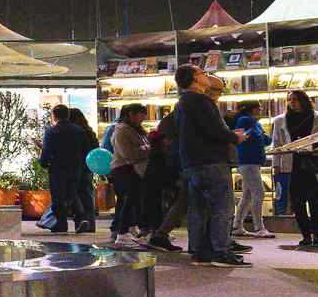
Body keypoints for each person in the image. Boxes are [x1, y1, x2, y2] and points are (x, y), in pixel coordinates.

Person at [176, 63, 250, 267]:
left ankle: (201, 251)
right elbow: (214, 130)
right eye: (201, 72)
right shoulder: (201, 100)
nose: (205, 75)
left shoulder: (183, 101)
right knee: (222, 207)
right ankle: (222, 252)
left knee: (199, 208)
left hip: (192, 162)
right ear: (195, 79)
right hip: (211, 161)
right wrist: (235, 137)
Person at [273, 90, 318, 247]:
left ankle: (317, 233)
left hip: (314, 164)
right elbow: (277, 144)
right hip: (292, 165)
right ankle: (305, 234)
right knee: (297, 202)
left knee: (315, 201)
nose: (292, 102)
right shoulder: (280, 121)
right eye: (289, 100)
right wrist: (276, 165)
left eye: (295, 99)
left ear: (303, 100)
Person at [39, 104, 91, 234]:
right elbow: (85, 149)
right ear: (68, 115)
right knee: (72, 194)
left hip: (57, 168)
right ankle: (80, 219)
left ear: (54, 116)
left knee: (58, 197)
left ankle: (61, 224)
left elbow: (47, 151)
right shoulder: (79, 130)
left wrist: (44, 163)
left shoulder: (51, 131)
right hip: (75, 167)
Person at [107, 103, 150, 248]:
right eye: (140, 116)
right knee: (128, 199)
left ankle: (130, 230)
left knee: (133, 200)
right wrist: (148, 149)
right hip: (124, 170)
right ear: (130, 114)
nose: (142, 119)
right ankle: (122, 232)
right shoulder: (122, 131)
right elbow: (130, 154)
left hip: (132, 169)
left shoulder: (135, 130)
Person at [143, 110, 185, 252]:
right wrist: (174, 181)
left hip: (159, 187)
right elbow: (165, 172)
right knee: (166, 211)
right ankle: (159, 236)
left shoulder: (157, 154)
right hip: (163, 188)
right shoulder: (163, 155)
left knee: (163, 211)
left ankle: (158, 235)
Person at [232, 102, 275, 239]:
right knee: (259, 193)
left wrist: (261, 135)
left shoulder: (254, 122)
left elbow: (266, 140)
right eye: (259, 108)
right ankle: (259, 227)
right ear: (253, 109)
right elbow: (250, 137)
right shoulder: (246, 120)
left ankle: (237, 225)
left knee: (248, 195)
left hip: (251, 161)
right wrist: (260, 135)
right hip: (248, 161)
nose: (261, 110)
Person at [69, 108, 97, 233]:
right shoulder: (89, 132)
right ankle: (90, 224)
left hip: (75, 167)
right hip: (88, 167)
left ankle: (81, 221)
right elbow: (95, 148)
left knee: (74, 194)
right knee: (87, 195)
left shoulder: (75, 132)